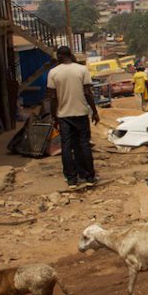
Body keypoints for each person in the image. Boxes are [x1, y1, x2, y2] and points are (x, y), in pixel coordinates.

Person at [47, 45, 99, 189]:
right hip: (81, 113)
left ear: (59, 56)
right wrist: (94, 111)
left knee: (67, 146)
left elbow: (52, 98)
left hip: (64, 115)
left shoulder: (53, 72)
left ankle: (71, 179)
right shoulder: (82, 70)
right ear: (70, 54)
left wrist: (53, 116)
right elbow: (88, 92)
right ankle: (89, 176)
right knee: (84, 145)